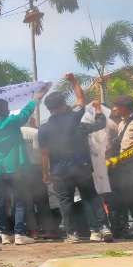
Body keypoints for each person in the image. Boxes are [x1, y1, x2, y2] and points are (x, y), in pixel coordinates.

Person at [39, 73, 113, 243]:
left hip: (59, 171)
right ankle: (104, 227)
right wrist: (72, 80)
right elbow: (81, 97)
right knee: (91, 196)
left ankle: (72, 234)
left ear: (49, 109)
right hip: (82, 166)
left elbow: (44, 153)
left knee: (65, 201)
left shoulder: (43, 128)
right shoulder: (75, 115)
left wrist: (45, 173)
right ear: (64, 104)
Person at [0, 86, 48, 245]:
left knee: (1, 202)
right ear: (8, 111)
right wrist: (38, 94)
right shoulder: (13, 121)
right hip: (16, 167)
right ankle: (19, 234)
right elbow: (28, 109)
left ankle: (4, 234)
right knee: (20, 200)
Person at [108, 95, 133, 238]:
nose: (114, 109)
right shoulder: (123, 124)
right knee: (132, 198)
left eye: (116, 106)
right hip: (125, 167)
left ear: (124, 107)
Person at [20, 125, 56, 239]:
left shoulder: (17, 132)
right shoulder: (37, 132)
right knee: (43, 201)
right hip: (38, 168)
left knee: (27, 202)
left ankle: (33, 232)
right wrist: (45, 172)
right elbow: (44, 152)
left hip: (22, 169)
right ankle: (48, 231)